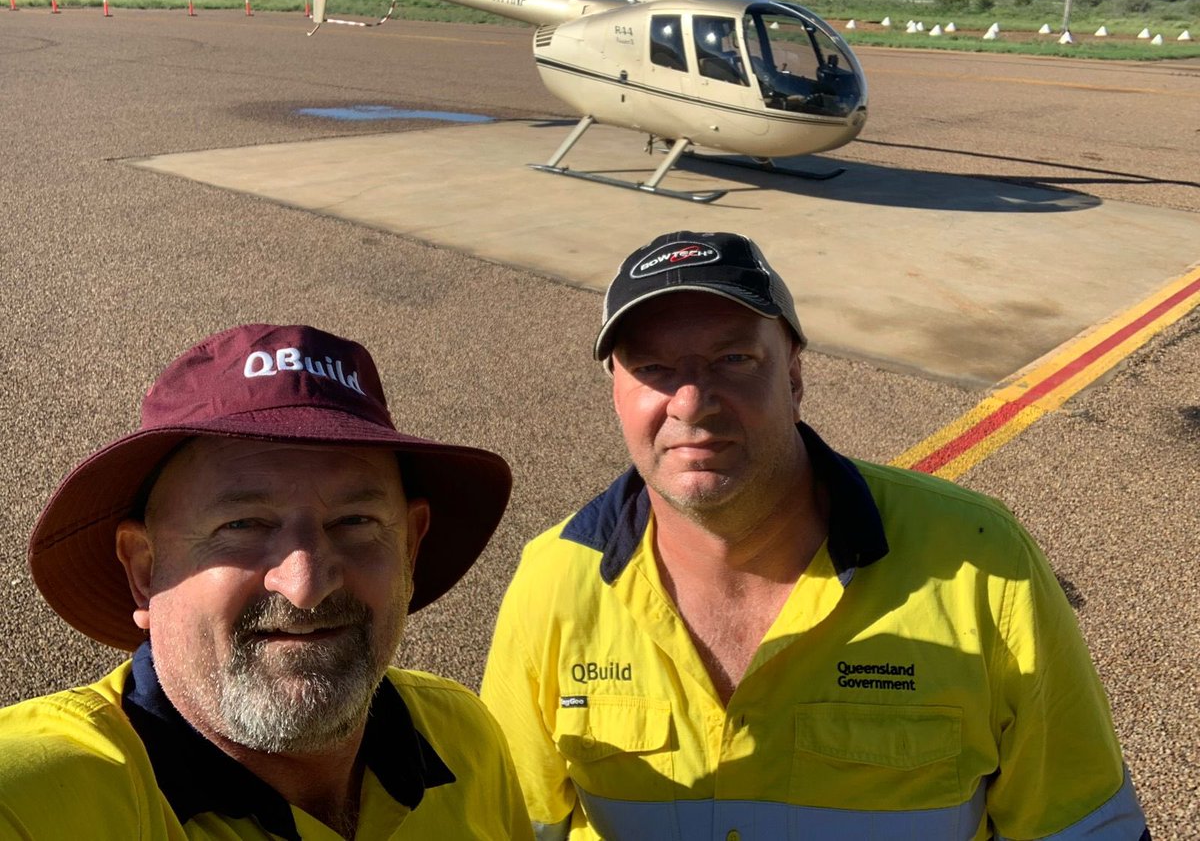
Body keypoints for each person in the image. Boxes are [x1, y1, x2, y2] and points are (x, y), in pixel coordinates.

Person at [481, 232, 1149, 840]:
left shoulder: (983, 563)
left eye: (734, 358)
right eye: (652, 369)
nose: (690, 401)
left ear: (794, 375)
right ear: (616, 392)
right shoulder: (554, 582)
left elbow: (1085, 828)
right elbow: (509, 826)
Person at [1, 323, 533, 840]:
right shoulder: (33, 800)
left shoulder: (464, 739)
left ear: (409, 550)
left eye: (355, 522)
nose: (306, 585)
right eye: (242, 525)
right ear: (144, 569)